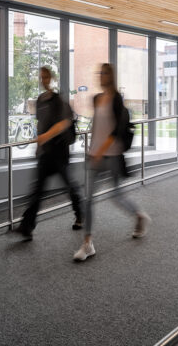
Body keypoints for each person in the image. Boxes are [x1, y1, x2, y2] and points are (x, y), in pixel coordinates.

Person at [74, 63, 150, 262]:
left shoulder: (116, 99)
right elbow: (96, 128)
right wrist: (92, 150)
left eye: (105, 73)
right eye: (100, 72)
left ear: (111, 76)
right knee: (88, 199)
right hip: (95, 155)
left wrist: (99, 151)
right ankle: (87, 243)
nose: (101, 76)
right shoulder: (97, 98)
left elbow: (115, 131)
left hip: (112, 155)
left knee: (116, 195)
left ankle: (139, 215)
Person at [15, 66, 83, 240]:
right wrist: (39, 145)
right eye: (41, 77)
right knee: (37, 190)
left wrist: (45, 136)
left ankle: (81, 214)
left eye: (46, 77)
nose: (43, 80)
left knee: (69, 185)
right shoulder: (40, 100)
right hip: (45, 153)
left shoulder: (59, 100)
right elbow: (40, 124)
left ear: (51, 78)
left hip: (59, 152)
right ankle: (27, 226)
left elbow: (64, 123)